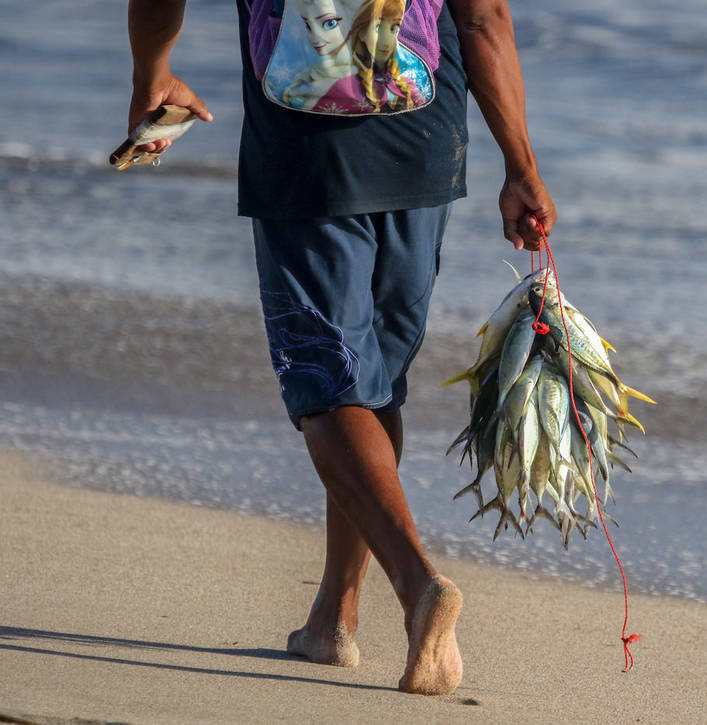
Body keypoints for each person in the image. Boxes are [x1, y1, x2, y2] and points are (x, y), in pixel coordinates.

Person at [126, 0, 555, 696]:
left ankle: (419, 587)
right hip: (423, 138)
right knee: (374, 381)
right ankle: (334, 616)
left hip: (304, 148)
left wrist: (153, 73)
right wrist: (522, 165)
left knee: (330, 387)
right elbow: (486, 20)